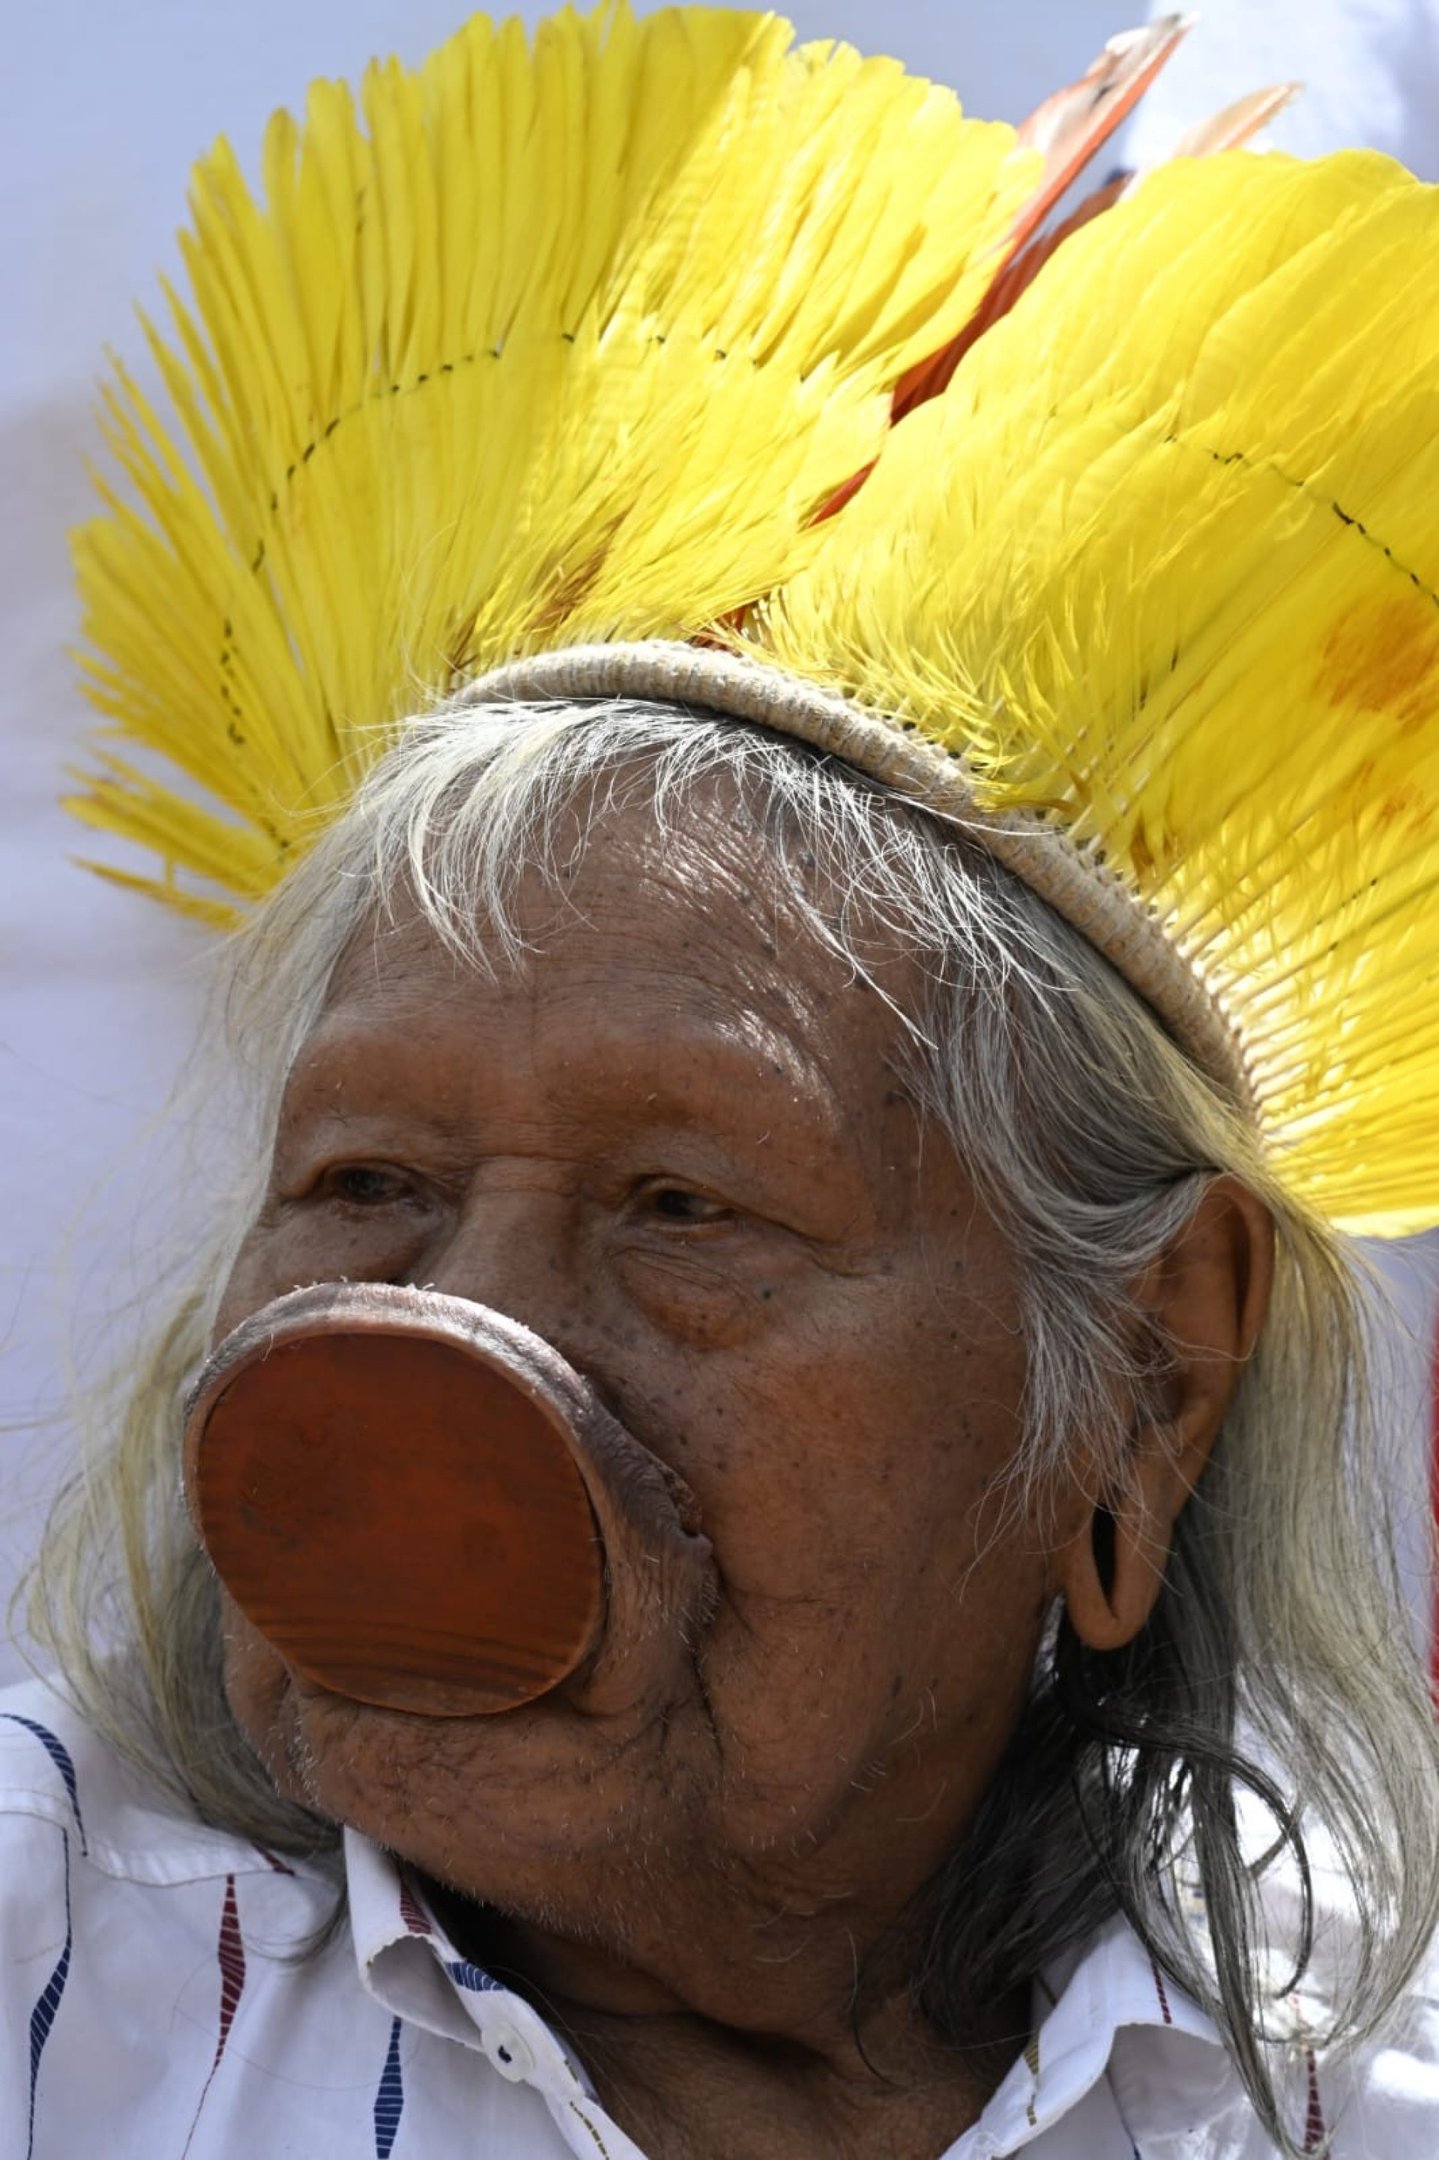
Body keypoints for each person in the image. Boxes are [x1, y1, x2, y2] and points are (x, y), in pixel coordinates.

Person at [5, 5, 1439, 2155]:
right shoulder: (56, 1980)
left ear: (1149, 1384)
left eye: (684, 1209)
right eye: (364, 1186)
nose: (448, 1332)